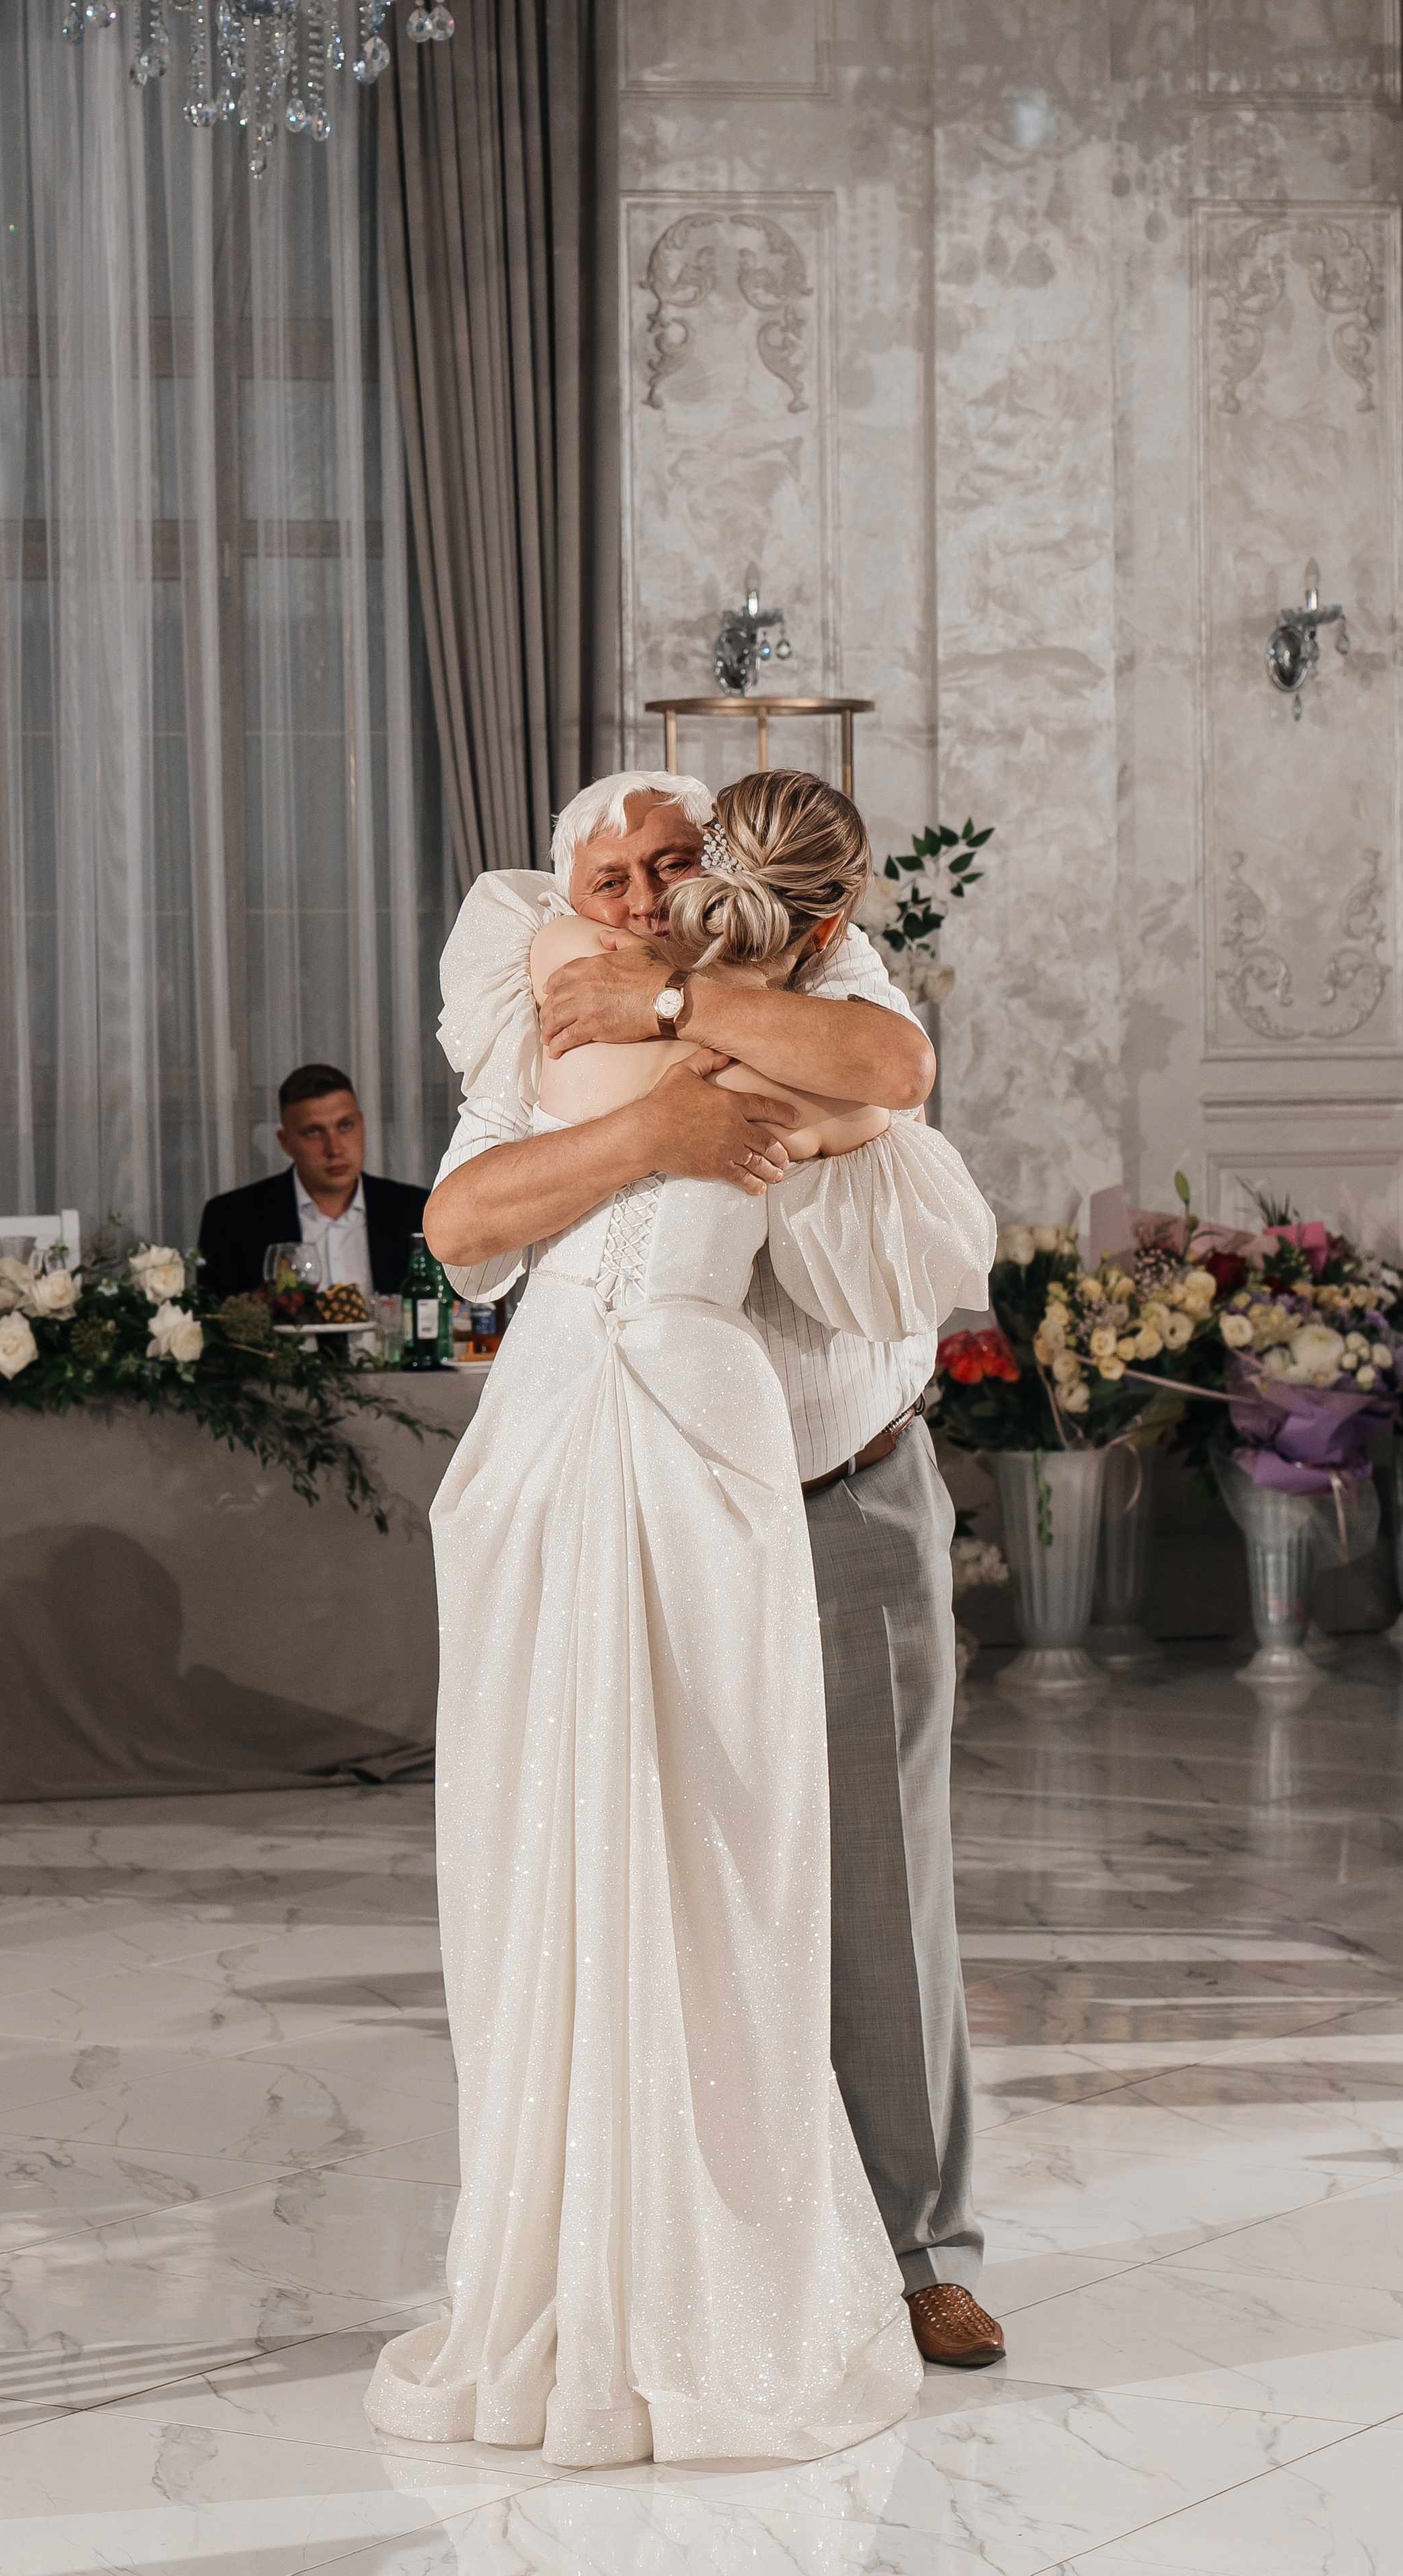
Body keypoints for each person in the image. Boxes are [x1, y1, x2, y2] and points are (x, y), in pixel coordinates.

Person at [363, 773, 994, 2466]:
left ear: (721, 871)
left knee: (866, 1874)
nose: (640, 891)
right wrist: (644, 1120)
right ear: (570, 883)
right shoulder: (537, 1018)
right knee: (648, 1867)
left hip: (833, 1481)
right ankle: (683, 2234)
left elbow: (885, 1076)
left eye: (668, 864)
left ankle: (918, 2249)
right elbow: (462, 1224)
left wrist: (670, 1003)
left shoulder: (817, 975)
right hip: (627, 1495)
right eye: (610, 873)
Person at [195, 1064, 429, 1302]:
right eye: (314, 1132)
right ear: (285, 1142)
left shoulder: (419, 1211)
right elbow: (217, 1329)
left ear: (362, 1125)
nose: (334, 1149)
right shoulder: (231, 1219)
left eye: (345, 1126)